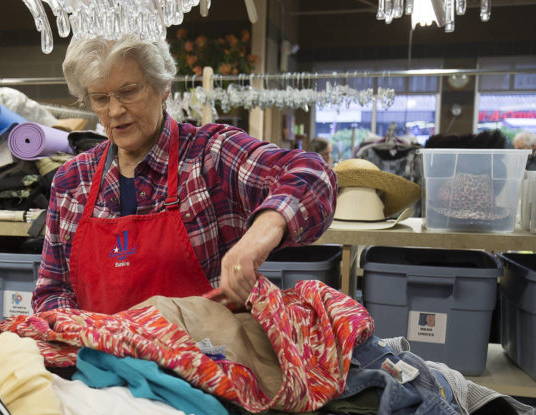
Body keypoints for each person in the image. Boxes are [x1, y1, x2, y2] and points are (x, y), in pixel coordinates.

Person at [32, 36, 337, 315]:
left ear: (163, 88)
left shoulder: (209, 157)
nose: (114, 111)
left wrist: (259, 236)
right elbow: (52, 291)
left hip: (203, 362)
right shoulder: (73, 181)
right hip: (104, 365)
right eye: (100, 98)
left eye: (128, 92)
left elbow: (313, 173)